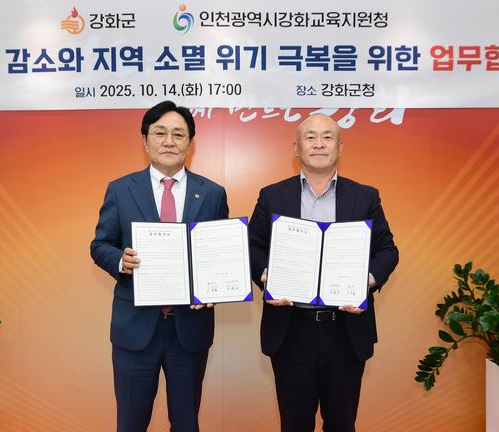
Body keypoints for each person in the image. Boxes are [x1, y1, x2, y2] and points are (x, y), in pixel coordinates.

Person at [248, 114, 398, 432]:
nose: (319, 144)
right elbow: (253, 247)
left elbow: (387, 250)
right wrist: (266, 276)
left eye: (328, 137)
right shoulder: (273, 196)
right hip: (291, 329)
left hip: (345, 330)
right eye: (310, 137)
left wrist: (365, 282)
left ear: (340, 147)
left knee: (342, 424)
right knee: (294, 424)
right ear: (296, 148)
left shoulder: (365, 197)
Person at [90, 101, 228, 432]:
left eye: (178, 134)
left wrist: (215, 286)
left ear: (190, 143)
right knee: (131, 423)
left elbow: (220, 254)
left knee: (186, 423)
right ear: (145, 140)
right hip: (135, 330)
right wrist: (120, 261)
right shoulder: (121, 190)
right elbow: (100, 245)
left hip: (189, 330)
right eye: (160, 133)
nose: (169, 141)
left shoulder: (212, 193)